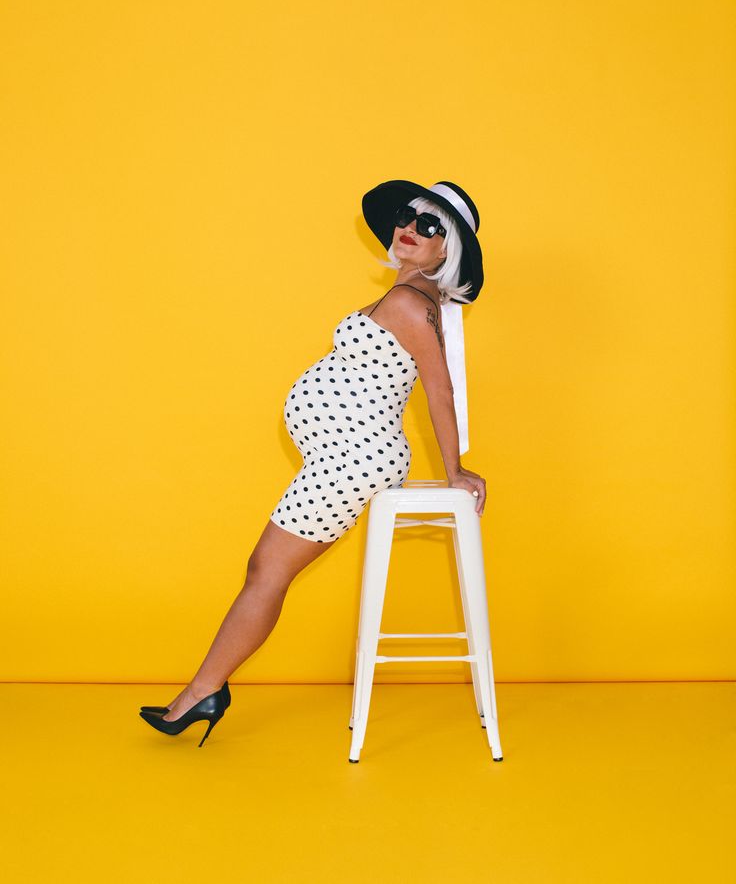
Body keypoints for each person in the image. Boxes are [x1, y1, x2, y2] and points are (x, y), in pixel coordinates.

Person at [138, 179, 487, 746]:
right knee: (263, 572)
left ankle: (201, 693)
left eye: (430, 227)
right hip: (341, 455)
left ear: (447, 249)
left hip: (354, 458)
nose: (411, 229)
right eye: (407, 216)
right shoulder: (406, 301)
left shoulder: (407, 304)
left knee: (266, 573)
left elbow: (439, 391)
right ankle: (203, 691)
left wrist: (456, 470)